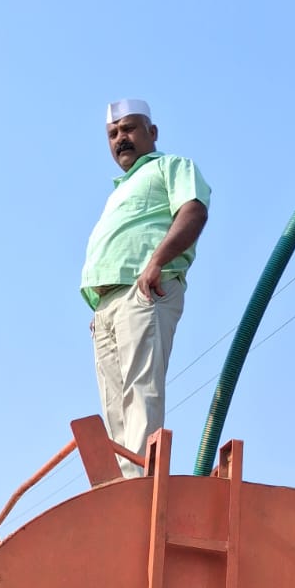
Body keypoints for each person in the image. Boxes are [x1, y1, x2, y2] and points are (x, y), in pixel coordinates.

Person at [81, 99, 210, 474]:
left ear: (152, 133)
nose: (121, 137)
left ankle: (141, 487)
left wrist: (156, 263)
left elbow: (194, 211)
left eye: (129, 128)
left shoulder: (170, 167)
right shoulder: (118, 191)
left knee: (140, 391)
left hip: (145, 290)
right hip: (107, 305)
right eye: (113, 133)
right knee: (114, 404)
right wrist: (101, 302)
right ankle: (124, 488)